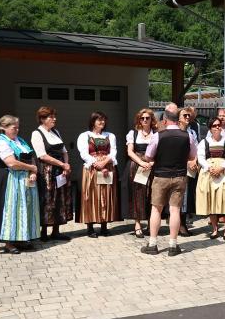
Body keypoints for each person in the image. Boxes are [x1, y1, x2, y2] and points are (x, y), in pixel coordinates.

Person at [141, 103, 198, 256]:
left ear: (165, 120)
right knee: (175, 210)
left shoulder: (157, 136)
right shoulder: (188, 136)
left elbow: (148, 156)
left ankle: (152, 244)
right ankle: (173, 245)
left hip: (161, 176)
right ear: (177, 120)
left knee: (156, 209)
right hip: (179, 176)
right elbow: (192, 156)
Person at [0, 115, 41, 253]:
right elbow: (11, 163)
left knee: (23, 209)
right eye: (13, 127)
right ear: (3, 128)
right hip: (9, 180)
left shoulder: (21, 141)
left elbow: (31, 158)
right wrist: (31, 168)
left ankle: (21, 239)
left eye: (18, 127)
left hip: (25, 181)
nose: (17, 130)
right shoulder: (1, 143)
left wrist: (33, 172)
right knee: (10, 210)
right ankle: (8, 242)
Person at [30, 106, 72, 242]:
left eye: (54, 116)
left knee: (60, 198)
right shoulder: (37, 133)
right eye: (51, 117)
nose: (54, 119)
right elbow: (42, 156)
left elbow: (64, 151)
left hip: (60, 171)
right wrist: (62, 164)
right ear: (42, 119)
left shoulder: (56, 132)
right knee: (47, 199)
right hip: (47, 172)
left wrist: (66, 166)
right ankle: (43, 231)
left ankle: (56, 230)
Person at [77, 111, 119, 238]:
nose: (102, 122)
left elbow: (113, 152)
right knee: (90, 196)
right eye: (99, 120)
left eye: (103, 120)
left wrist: (105, 163)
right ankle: (90, 228)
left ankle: (104, 226)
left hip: (108, 167)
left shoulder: (110, 135)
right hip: (92, 169)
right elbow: (84, 153)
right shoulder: (85, 135)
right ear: (93, 121)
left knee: (106, 196)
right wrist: (98, 165)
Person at [121, 108, 157, 238]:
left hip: (152, 166)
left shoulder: (156, 133)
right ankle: (137, 224)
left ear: (152, 119)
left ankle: (150, 223)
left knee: (151, 194)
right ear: (139, 120)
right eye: (142, 118)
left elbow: (159, 152)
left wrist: (152, 163)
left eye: (147, 118)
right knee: (137, 194)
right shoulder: (133, 133)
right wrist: (141, 163)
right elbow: (130, 151)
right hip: (136, 167)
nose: (145, 120)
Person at [196, 117, 225, 240]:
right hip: (209, 174)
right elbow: (200, 157)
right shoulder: (204, 142)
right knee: (211, 200)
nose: (217, 127)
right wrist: (209, 167)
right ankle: (215, 229)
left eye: (219, 125)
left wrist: (222, 167)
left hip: (223, 174)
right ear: (210, 128)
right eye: (214, 126)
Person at [178, 107, 199, 236]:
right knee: (178, 196)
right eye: (184, 115)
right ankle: (178, 223)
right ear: (178, 117)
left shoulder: (192, 132)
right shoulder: (175, 131)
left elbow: (196, 149)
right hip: (177, 166)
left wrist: (194, 160)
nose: (187, 118)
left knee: (187, 196)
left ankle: (183, 223)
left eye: (188, 116)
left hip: (189, 167)